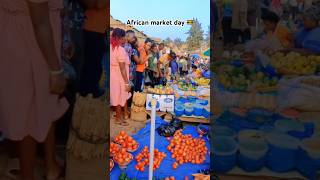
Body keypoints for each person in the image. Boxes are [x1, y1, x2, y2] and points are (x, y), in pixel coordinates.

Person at [0, 0, 69, 179]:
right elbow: (40, 22)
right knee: (29, 114)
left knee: (46, 102)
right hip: (30, 40)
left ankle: (50, 166)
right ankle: (28, 175)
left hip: (35, 36)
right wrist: (56, 69)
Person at [79, 0, 107, 98]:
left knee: (93, 63)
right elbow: (99, 4)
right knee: (92, 63)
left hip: (97, 29)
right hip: (93, 28)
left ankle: (87, 89)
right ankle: (88, 90)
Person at [110, 28, 131, 126]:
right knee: (119, 97)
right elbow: (122, 68)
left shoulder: (110, 47)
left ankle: (121, 116)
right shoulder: (120, 49)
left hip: (113, 75)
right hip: (119, 76)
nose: (125, 39)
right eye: (124, 37)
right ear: (120, 38)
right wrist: (127, 82)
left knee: (116, 96)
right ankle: (118, 119)